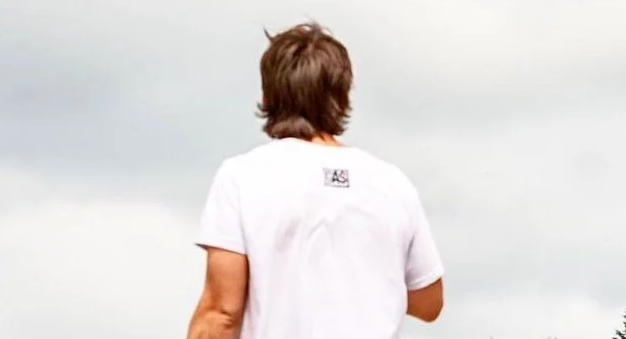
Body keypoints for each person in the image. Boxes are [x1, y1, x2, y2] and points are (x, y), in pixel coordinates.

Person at [186, 22, 444, 339]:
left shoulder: (242, 177)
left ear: (268, 97)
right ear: (342, 94)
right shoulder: (393, 184)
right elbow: (429, 302)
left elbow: (222, 314)